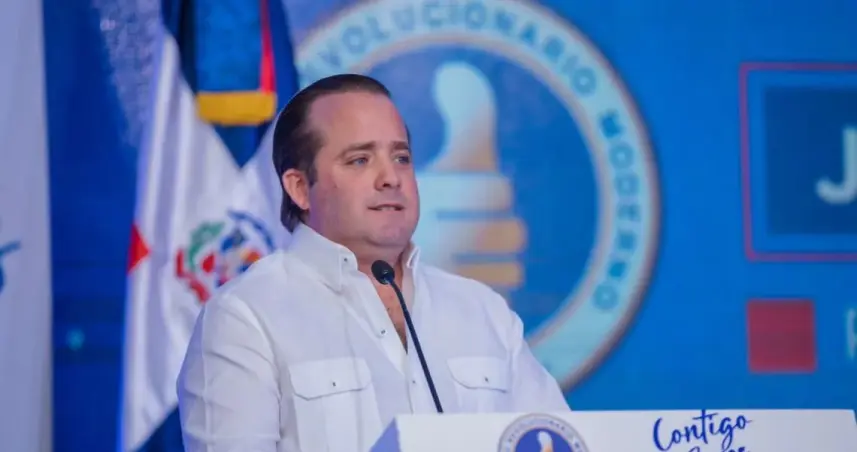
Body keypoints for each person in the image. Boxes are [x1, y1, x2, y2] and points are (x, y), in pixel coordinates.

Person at [176, 73, 569, 452]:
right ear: (300, 188)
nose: (391, 177)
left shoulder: (483, 311)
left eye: (401, 157)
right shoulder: (246, 318)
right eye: (360, 160)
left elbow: (561, 438)